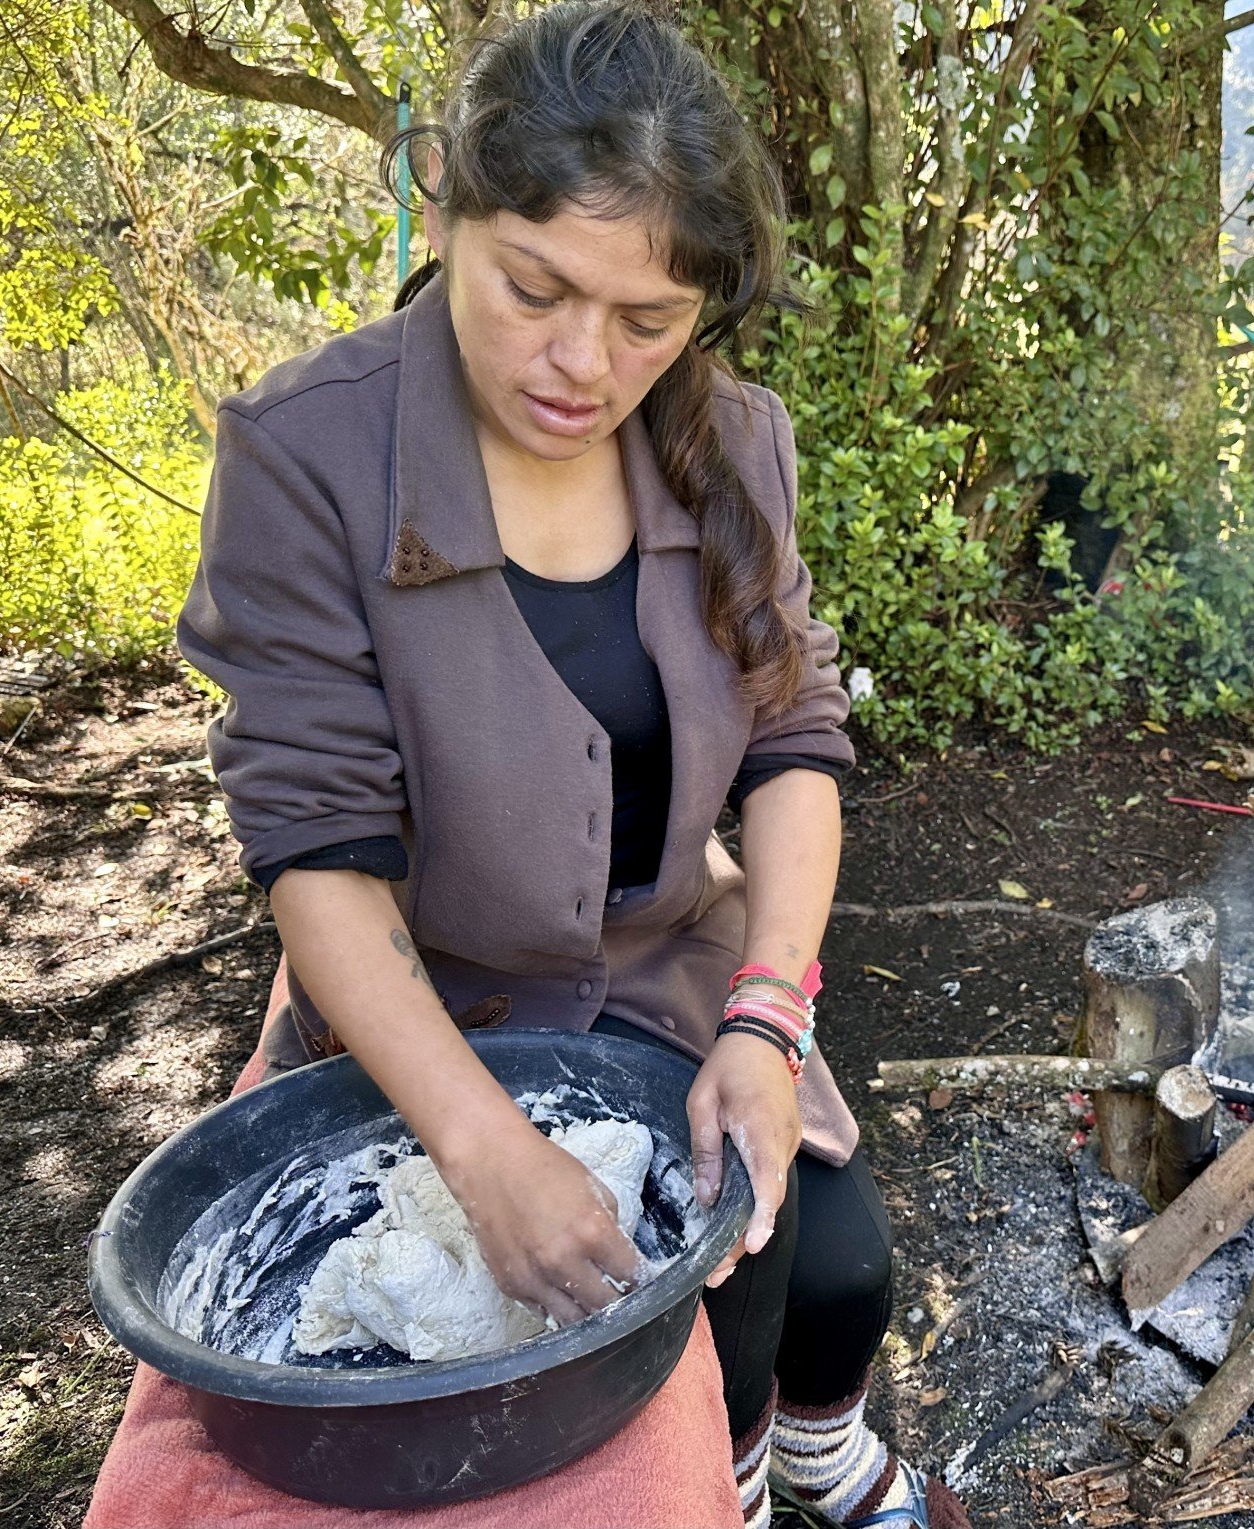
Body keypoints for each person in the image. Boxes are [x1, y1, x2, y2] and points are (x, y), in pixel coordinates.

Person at [175, 5, 965, 1525]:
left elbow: (797, 743)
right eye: (533, 287)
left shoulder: (734, 444)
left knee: (844, 1262)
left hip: (677, 962)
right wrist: (483, 1149)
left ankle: (812, 1461)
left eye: (649, 319)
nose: (583, 364)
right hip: (442, 1008)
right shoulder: (307, 460)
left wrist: (768, 1014)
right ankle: (729, 1490)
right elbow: (318, 847)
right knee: (708, 1320)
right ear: (445, 207)